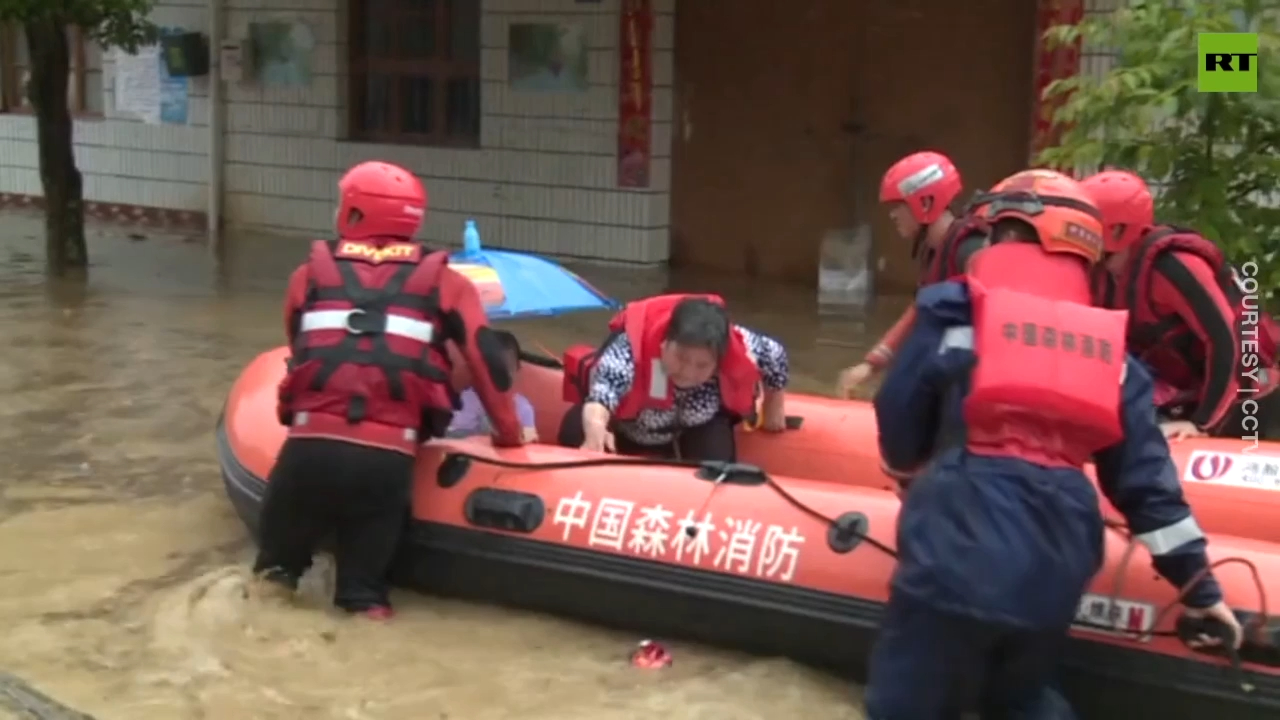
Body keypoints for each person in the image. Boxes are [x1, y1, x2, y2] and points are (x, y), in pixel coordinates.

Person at [867, 169, 1240, 719]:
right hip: (1060, 553)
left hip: (958, 532)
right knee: (1017, 698)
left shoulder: (954, 310)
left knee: (907, 705)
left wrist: (914, 476)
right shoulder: (1113, 354)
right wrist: (1202, 592)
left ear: (1009, 232)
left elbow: (897, 411)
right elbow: (1149, 492)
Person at [254, 161, 524, 619]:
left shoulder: (308, 277)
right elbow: (489, 366)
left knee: (272, 580)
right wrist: (510, 436)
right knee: (365, 598)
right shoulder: (448, 283)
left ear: (356, 212)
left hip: (307, 454)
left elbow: (301, 356)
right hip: (385, 462)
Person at [1082, 169, 1280, 441]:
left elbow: (1226, 341)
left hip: (1246, 394)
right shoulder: (1102, 275)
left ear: (1117, 229)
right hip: (1183, 395)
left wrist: (1201, 423)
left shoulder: (1174, 267)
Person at [557, 294, 789, 462]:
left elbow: (776, 354)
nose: (688, 372)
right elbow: (603, 392)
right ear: (664, 343)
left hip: (693, 431)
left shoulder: (740, 345)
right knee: (574, 426)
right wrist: (596, 426)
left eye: (702, 365)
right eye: (681, 357)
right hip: (625, 431)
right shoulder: (630, 350)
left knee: (716, 453)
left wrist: (774, 404)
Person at [837, 151, 990, 397]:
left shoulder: (970, 252)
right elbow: (920, 309)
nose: (893, 214)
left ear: (926, 204)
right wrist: (873, 363)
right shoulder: (938, 250)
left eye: (899, 206)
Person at [446, 330, 539, 442]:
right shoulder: (464, 399)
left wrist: (528, 437)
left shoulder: (523, 408)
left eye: (505, 370)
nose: (498, 376)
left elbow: (530, 438)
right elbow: (450, 433)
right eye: (492, 369)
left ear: (517, 369)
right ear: (478, 368)